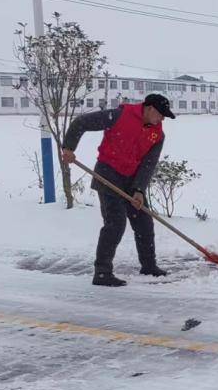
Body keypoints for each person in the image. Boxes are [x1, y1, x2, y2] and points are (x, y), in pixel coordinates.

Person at [61, 94, 174, 287]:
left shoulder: (158, 135)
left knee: (144, 222)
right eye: (160, 115)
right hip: (108, 173)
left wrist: (139, 190)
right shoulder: (119, 116)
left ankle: (149, 266)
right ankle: (102, 272)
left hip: (132, 180)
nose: (162, 119)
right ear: (149, 109)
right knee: (116, 222)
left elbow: (148, 164)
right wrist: (69, 147)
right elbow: (81, 122)